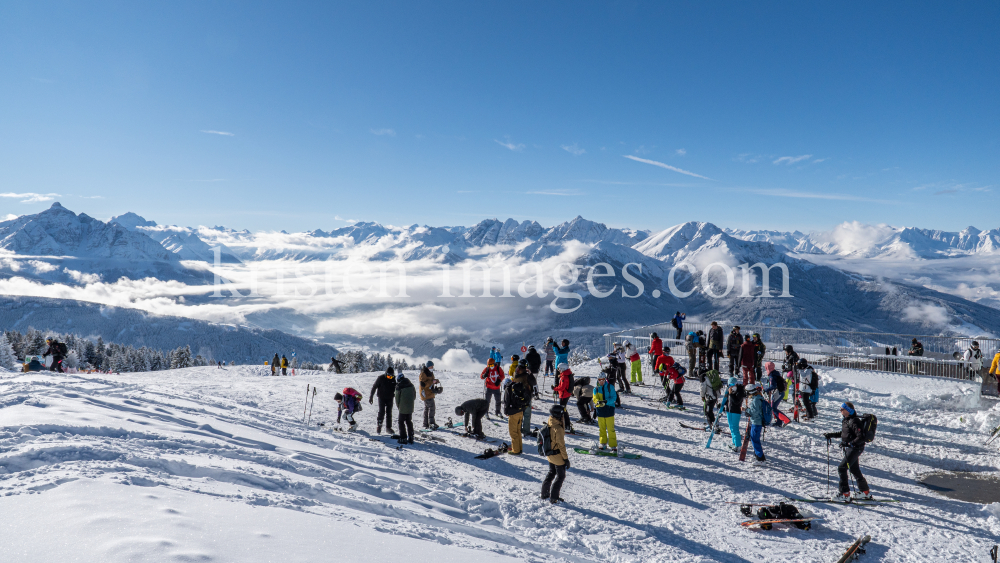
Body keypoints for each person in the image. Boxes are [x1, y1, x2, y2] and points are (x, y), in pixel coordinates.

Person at [824, 402, 872, 501]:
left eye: (842, 409)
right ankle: (865, 492)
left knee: (842, 468)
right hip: (852, 448)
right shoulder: (847, 420)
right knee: (854, 469)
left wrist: (850, 444)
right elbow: (845, 433)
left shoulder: (855, 421)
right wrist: (831, 435)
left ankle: (844, 494)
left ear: (848, 410)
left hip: (855, 448)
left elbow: (861, 437)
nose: (840, 411)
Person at [540, 404, 570, 504]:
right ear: (558, 415)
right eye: (562, 414)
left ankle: (544, 493)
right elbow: (561, 446)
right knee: (561, 476)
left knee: (551, 472)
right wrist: (566, 459)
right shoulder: (558, 429)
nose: (563, 416)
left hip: (550, 454)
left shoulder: (550, 421)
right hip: (557, 456)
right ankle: (554, 497)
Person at [503, 365, 533, 455]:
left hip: (513, 412)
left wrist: (506, 411)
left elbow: (506, 401)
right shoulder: (519, 387)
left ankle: (515, 450)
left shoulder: (508, 389)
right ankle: (519, 448)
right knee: (518, 431)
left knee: (513, 432)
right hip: (520, 411)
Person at [592, 373, 619, 453]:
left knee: (611, 428)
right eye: (599, 380)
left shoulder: (610, 387)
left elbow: (614, 397)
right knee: (602, 428)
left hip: (609, 409)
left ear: (605, 379)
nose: (601, 382)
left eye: (602, 380)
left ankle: (613, 444)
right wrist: (598, 402)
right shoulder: (596, 389)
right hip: (600, 410)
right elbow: (594, 398)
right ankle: (603, 443)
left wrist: (606, 402)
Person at [369, 367, 397, 435]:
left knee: (389, 413)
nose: (389, 377)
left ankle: (388, 428)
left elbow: (397, 388)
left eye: (391, 376)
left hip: (390, 398)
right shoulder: (381, 378)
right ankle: (379, 426)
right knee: (381, 412)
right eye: (388, 376)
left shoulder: (393, 379)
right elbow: (374, 387)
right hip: (382, 397)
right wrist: (371, 396)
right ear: (385, 374)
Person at [744, 383, 767, 462]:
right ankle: (757, 455)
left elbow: (754, 412)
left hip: (756, 423)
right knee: (755, 439)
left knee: (755, 440)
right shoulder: (758, 397)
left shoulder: (756, 400)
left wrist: (746, 410)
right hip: (757, 422)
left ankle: (760, 459)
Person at [724, 376, 746, 452]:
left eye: (734, 384)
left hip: (735, 412)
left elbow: (736, 402)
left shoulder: (740, 391)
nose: (732, 386)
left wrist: (731, 394)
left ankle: (738, 445)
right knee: (731, 428)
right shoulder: (729, 390)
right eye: (730, 385)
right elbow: (728, 400)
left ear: (736, 384)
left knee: (735, 428)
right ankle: (734, 443)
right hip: (729, 411)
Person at [761, 361, 787, 427]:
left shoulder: (772, 375)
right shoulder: (775, 373)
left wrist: (766, 389)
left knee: (773, 408)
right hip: (780, 392)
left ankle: (785, 420)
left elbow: (773, 386)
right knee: (773, 407)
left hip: (778, 392)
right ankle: (779, 422)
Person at [552, 362, 575, 432]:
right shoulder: (565, 374)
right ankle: (566, 423)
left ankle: (567, 425)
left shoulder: (564, 377)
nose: (558, 370)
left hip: (563, 395)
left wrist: (554, 389)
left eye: (559, 369)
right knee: (563, 409)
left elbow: (562, 388)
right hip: (565, 394)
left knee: (563, 409)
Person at [394, 373, 416, 444]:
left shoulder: (399, 386)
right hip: (410, 407)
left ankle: (403, 437)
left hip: (402, 407)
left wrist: (399, 407)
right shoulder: (411, 385)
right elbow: (414, 396)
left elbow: (397, 399)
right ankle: (411, 435)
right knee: (409, 421)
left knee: (401, 421)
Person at [419, 361, 439, 430]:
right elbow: (423, 384)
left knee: (427, 408)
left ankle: (426, 424)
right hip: (425, 393)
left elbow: (432, 380)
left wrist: (435, 381)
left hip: (429, 393)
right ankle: (431, 423)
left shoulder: (430, 372)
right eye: (431, 366)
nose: (432, 368)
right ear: (428, 367)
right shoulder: (423, 373)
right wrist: (432, 382)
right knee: (432, 407)